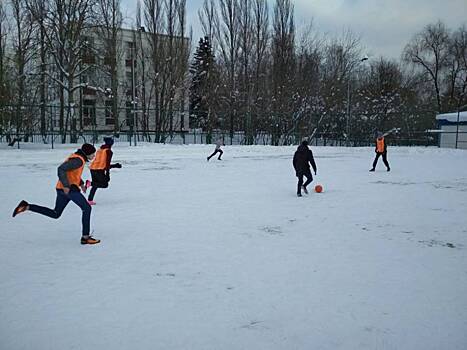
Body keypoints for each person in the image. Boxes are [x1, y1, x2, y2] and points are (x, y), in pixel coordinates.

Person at [12, 143, 101, 245]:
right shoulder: (78, 160)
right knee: (87, 208)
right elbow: (61, 169)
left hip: (61, 190)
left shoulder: (78, 158)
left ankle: (27, 207)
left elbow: (72, 173)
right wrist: (66, 186)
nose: (94, 157)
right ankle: (85, 237)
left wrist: (81, 184)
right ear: (87, 153)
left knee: (56, 213)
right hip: (69, 190)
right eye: (93, 154)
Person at [87, 137, 122, 205]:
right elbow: (107, 164)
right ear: (111, 143)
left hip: (93, 169)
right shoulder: (109, 151)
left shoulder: (100, 150)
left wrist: (115, 165)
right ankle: (90, 183)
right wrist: (107, 174)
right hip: (99, 170)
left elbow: (101, 162)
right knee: (105, 184)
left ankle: (89, 200)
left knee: (96, 184)